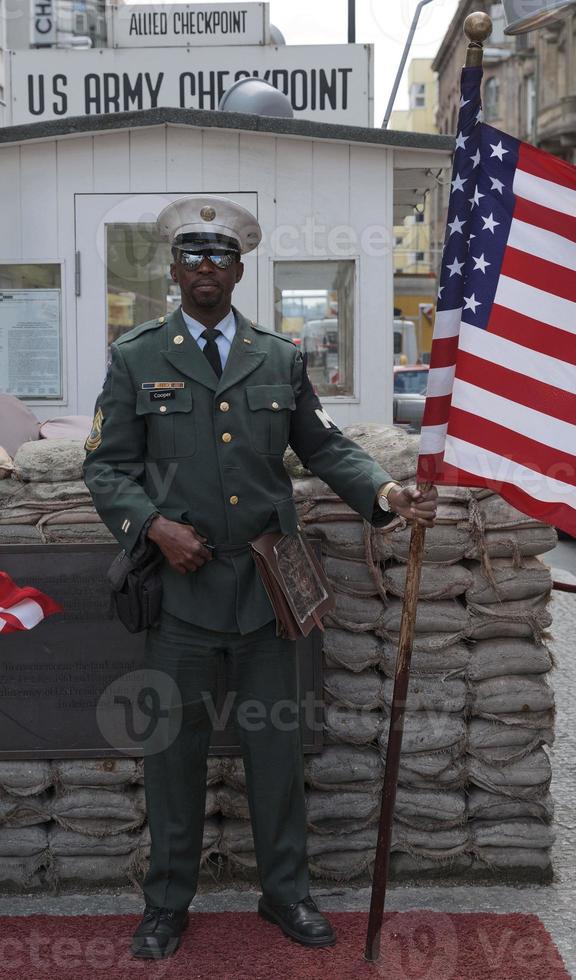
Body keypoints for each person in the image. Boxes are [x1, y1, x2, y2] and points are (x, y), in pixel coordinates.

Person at [83, 195, 438, 960]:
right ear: (174, 270)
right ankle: (167, 903)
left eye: (220, 257)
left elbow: (324, 446)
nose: (205, 269)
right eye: (192, 256)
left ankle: (286, 895)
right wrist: (154, 526)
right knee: (171, 757)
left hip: (268, 594)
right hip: (179, 594)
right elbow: (106, 467)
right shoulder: (137, 356)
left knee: (276, 756)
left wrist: (385, 492)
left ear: (240, 270)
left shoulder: (279, 357)